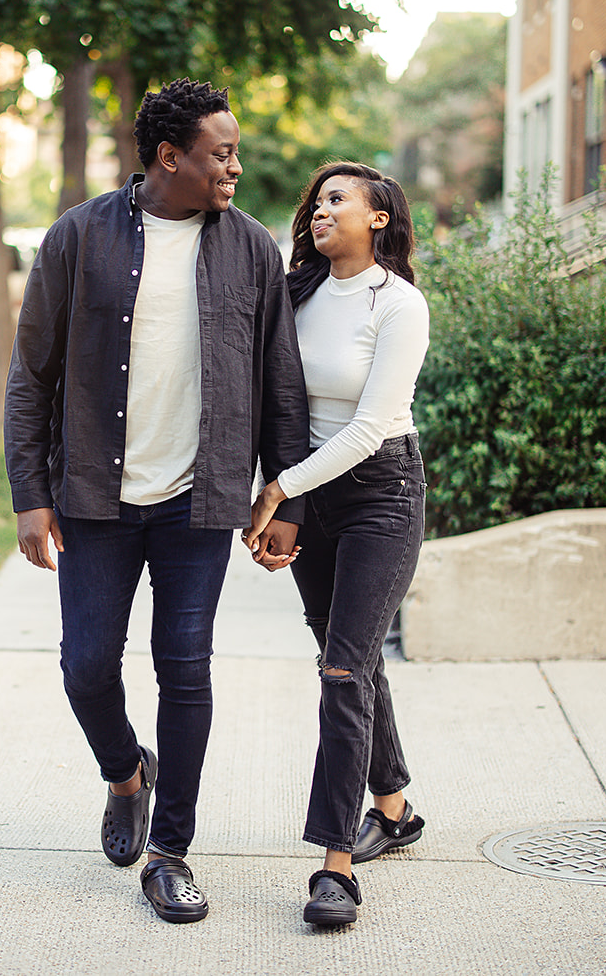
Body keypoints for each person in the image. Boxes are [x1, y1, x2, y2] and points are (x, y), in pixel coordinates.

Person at [5, 78, 309, 924]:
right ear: (170, 157)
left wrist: (286, 497)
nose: (235, 168)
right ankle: (125, 771)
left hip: (198, 502)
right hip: (97, 498)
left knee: (186, 669)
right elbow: (31, 373)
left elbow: (280, 381)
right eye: (222, 153)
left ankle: (171, 850)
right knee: (87, 665)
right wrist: (30, 492)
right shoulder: (79, 236)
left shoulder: (250, 248)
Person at [243, 161, 430, 927]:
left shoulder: (400, 305)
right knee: (344, 655)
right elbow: (276, 401)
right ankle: (393, 807)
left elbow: (365, 427)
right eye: (316, 201)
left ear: (378, 216)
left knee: (343, 668)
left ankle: (336, 866)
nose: (320, 210)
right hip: (308, 495)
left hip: (381, 493)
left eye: (338, 199)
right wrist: (282, 493)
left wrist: (279, 489)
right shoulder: (299, 292)